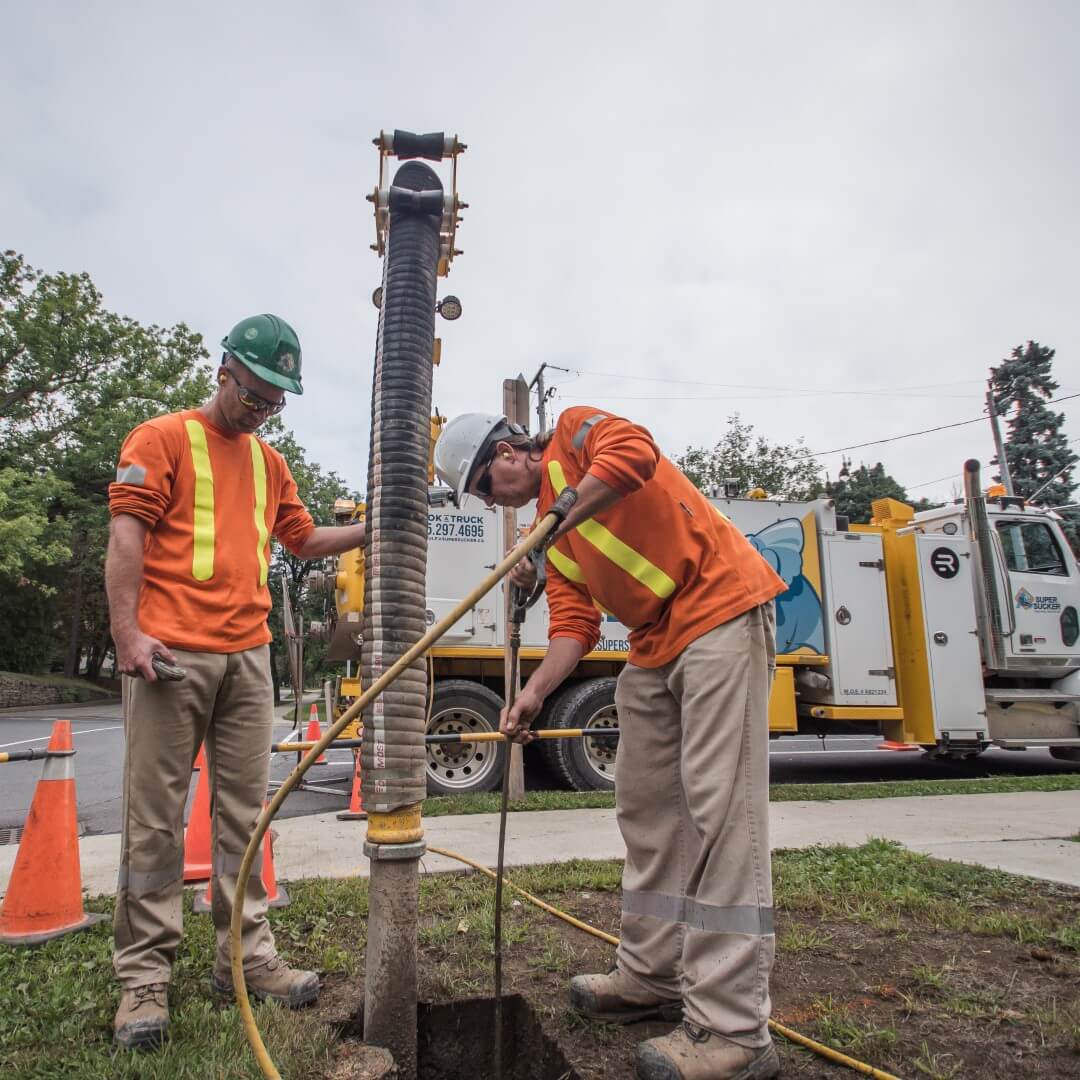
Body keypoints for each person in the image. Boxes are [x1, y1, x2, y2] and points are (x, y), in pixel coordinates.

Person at [434, 408, 786, 1080]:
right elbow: (574, 624)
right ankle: (652, 976)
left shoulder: (573, 431)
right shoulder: (553, 542)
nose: (488, 500)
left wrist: (553, 518)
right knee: (648, 809)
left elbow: (634, 455)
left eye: (484, 483)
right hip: (655, 643)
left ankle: (736, 1030)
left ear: (510, 452)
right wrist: (534, 691)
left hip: (719, 609)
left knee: (721, 814)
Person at [106, 314, 365, 1050]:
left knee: (245, 817)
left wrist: (374, 529)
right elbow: (127, 535)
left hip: (247, 655)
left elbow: (304, 539)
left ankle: (245, 960)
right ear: (225, 370)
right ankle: (144, 978)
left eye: (277, 400)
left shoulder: (267, 461)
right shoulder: (160, 439)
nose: (262, 409)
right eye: (255, 393)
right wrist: (126, 632)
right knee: (154, 818)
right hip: (171, 655)